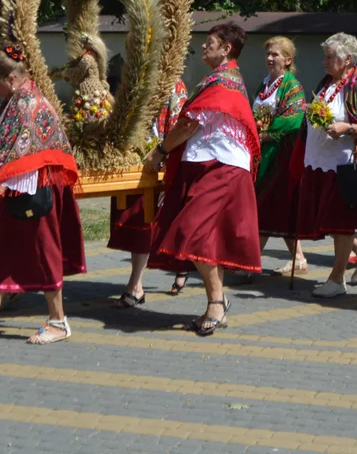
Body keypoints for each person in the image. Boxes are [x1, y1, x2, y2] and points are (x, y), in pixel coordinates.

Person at [0, 47, 85, 344]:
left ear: (11, 78)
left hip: (35, 195)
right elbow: (5, 147)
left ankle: (59, 322)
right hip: (19, 191)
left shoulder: (28, 104)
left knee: (44, 252)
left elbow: (27, 155)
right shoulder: (15, 100)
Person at [144, 23, 261, 336]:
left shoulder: (224, 81)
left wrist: (160, 150)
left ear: (226, 48)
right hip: (209, 165)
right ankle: (215, 305)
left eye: (210, 42)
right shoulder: (217, 79)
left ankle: (217, 302)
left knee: (192, 233)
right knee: (207, 238)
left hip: (221, 167)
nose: (204, 47)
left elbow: (188, 125)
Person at [295, 32, 357, 298]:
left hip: (343, 167)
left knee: (341, 224)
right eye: (326, 56)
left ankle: (337, 279)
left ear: (348, 60)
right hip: (321, 162)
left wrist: (347, 127)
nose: (324, 62)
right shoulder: (327, 83)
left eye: (330, 57)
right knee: (331, 222)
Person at [107, 79, 188, 307]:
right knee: (136, 225)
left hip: (157, 163)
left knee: (148, 223)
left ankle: (136, 286)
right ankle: (141, 283)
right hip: (133, 162)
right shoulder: (136, 79)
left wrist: (162, 155)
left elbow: (178, 128)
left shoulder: (174, 87)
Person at [253, 36, 308, 274]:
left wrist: (263, 135)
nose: (269, 58)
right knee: (273, 206)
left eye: (275, 54)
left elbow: (292, 120)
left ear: (288, 60)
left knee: (265, 204)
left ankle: (251, 262)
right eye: (268, 54)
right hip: (261, 153)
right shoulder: (265, 85)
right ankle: (299, 258)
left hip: (281, 155)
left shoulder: (292, 86)